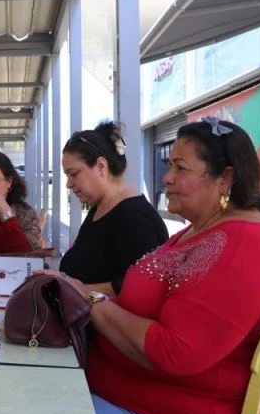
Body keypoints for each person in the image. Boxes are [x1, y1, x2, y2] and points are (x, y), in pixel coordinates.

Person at [77, 118, 260, 414]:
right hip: (125, 406)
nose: (167, 177)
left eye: (181, 168)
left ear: (226, 179)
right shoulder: (198, 231)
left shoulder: (244, 244)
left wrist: (93, 302)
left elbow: (174, 351)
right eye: (169, 166)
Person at [42, 121, 168, 295]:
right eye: (67, 175)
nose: (68, 184)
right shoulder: (101, 207)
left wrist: (77, 290)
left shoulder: (135, 219)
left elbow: (141, 288)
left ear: (101, 166)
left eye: (74, 173)